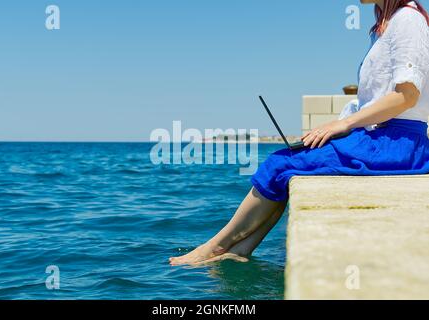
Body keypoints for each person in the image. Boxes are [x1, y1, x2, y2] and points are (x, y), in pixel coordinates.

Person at [170, 0, 429, 266]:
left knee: (279, 164)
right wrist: (338, 126)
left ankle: (214, 247)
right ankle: (238, 251)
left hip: (394, 144)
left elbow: (407, 96)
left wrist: (345, 125)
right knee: (287, 164)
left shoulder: (408, 21)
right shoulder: (386, 26)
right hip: (381, 139)